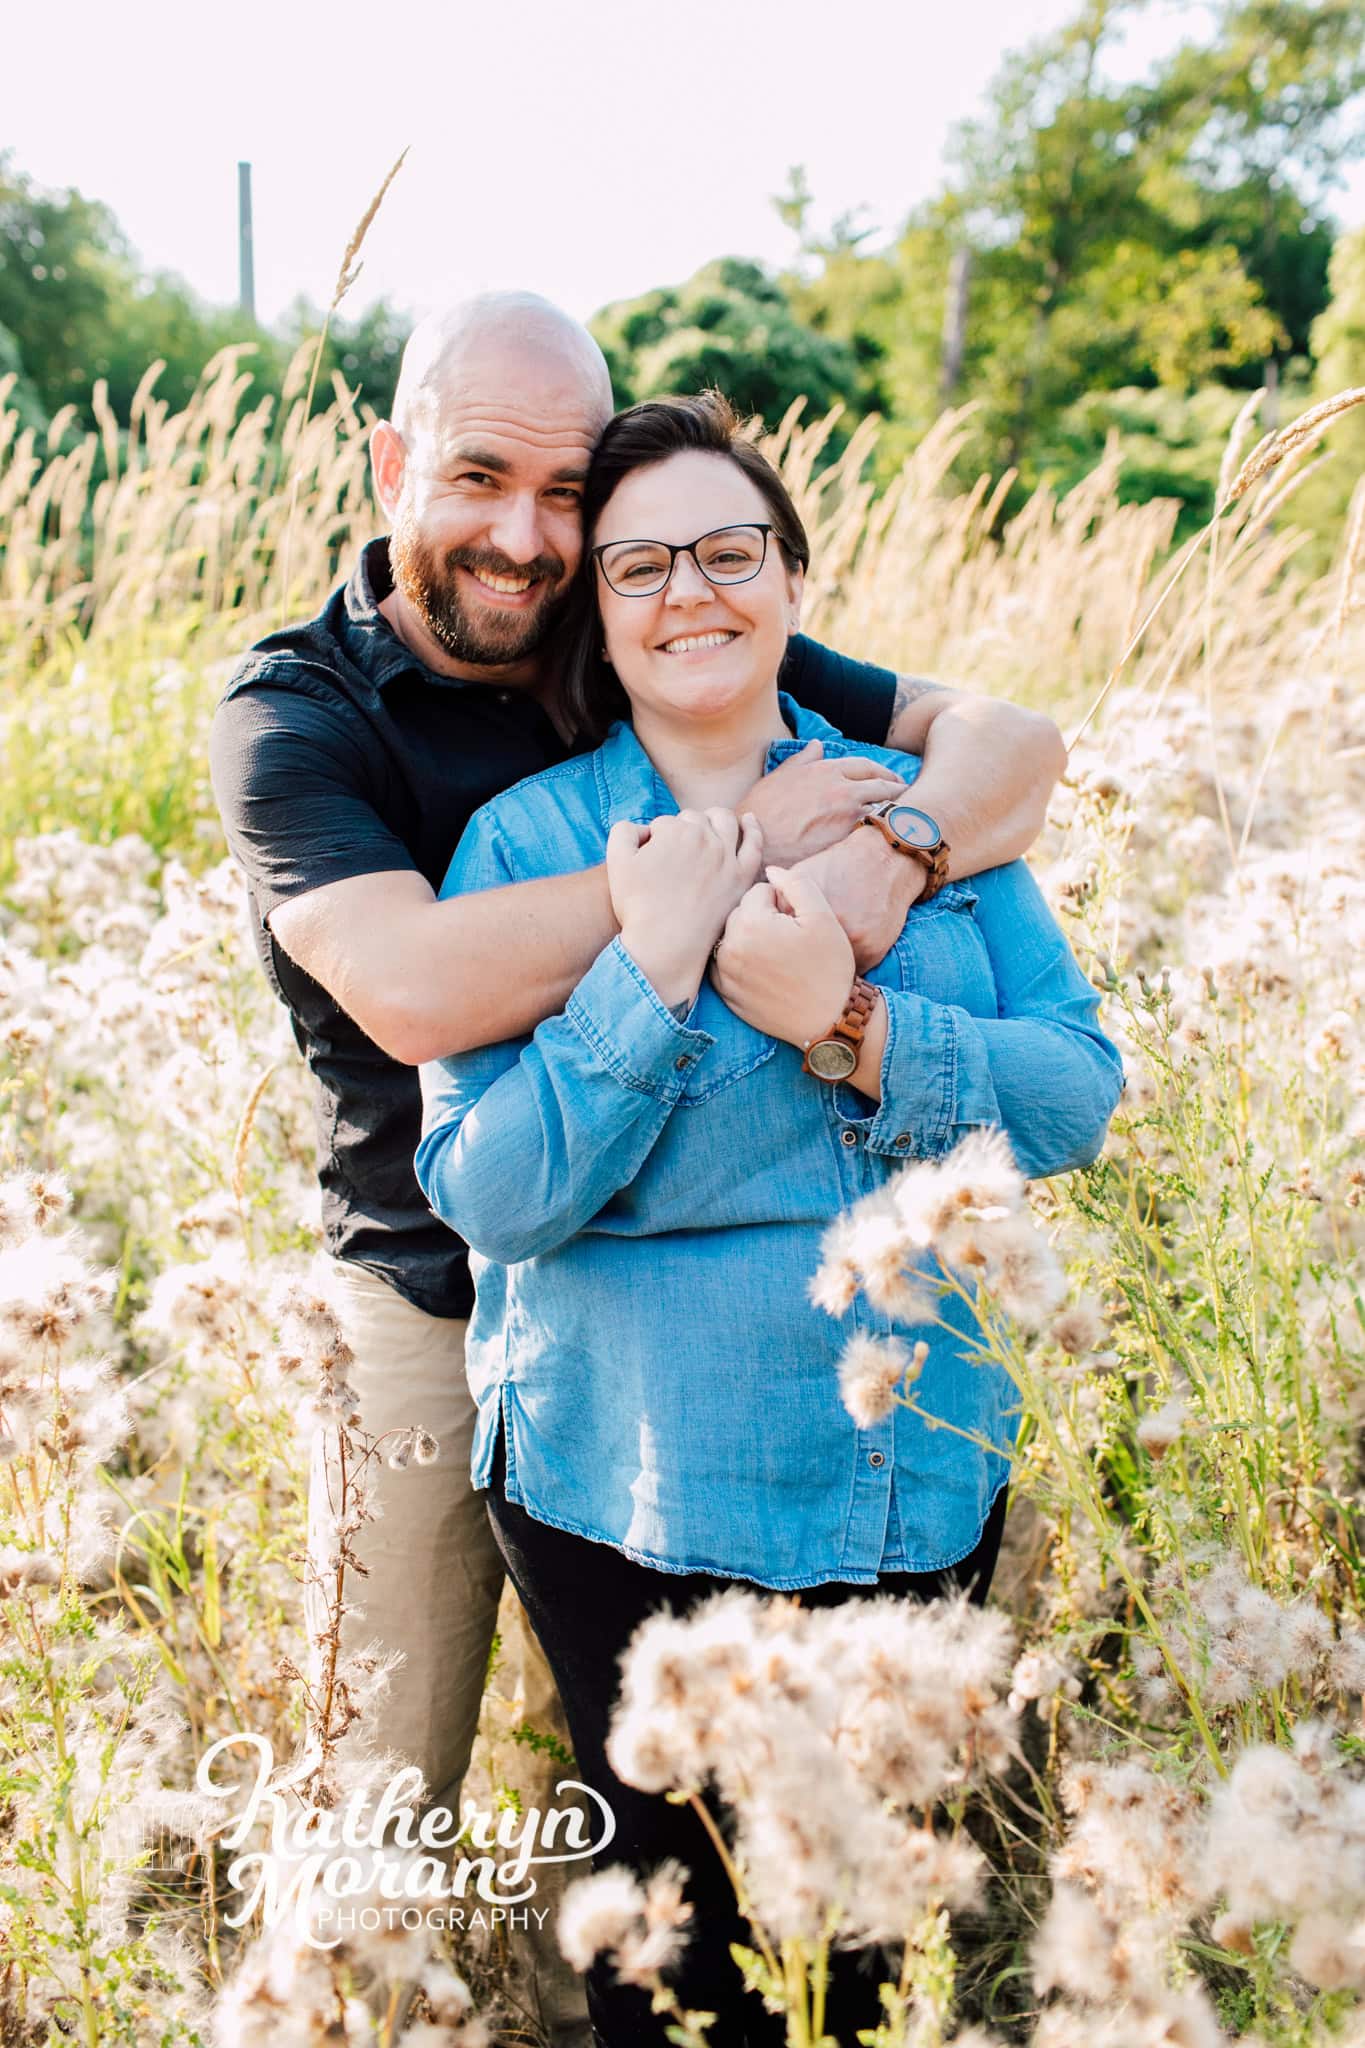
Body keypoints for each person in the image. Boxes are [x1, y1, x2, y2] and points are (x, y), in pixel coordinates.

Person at [208, 293, 1068, 2044]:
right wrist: (708, 874)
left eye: (562, 494)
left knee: (668, 1832)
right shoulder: (296, 713)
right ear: (390, 467)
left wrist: (881, 871)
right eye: (475, 480)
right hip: (431, 1275)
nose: (522, 537)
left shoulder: (659, 602)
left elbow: (1004, 749)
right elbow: (418, 988)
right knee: (388, 1784)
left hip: (737, 1336)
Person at [414, 392, 1123, 2045]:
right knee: (674, 1953)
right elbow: (496, 1196)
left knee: (870, 1936)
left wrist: (858, 1027)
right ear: (597, 610)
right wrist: (654, 966)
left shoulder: (926, 817)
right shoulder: (525, 846)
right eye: (641, 564)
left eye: (728, 551)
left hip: (909, 1466)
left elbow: (1075, 1093)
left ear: (792, 578)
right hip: (632, 1478)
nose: (690, 594)